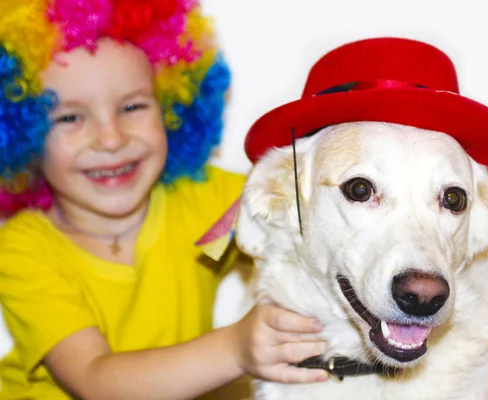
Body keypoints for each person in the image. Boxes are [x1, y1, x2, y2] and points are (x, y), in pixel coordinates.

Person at [0, 1, 328, 399]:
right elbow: (94, 380)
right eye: (70, 117)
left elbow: (300, 211)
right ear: (24, 134)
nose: (111, 138)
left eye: (132, 106)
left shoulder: (205, 201)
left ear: (172, 108)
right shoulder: (22, 248)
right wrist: (235, 348)